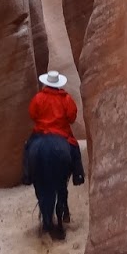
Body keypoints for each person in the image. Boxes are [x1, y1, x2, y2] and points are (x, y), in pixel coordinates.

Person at [25, 70, 86, 204]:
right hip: (62, 134)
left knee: (28, 146)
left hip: (40, 132)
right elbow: (72, 117)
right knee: (75, 150)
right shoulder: (66, 98)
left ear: (46, 83)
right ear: (58, 84)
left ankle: (27, 175)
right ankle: (78, 175)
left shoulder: (38, 98)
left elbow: (32, 114)